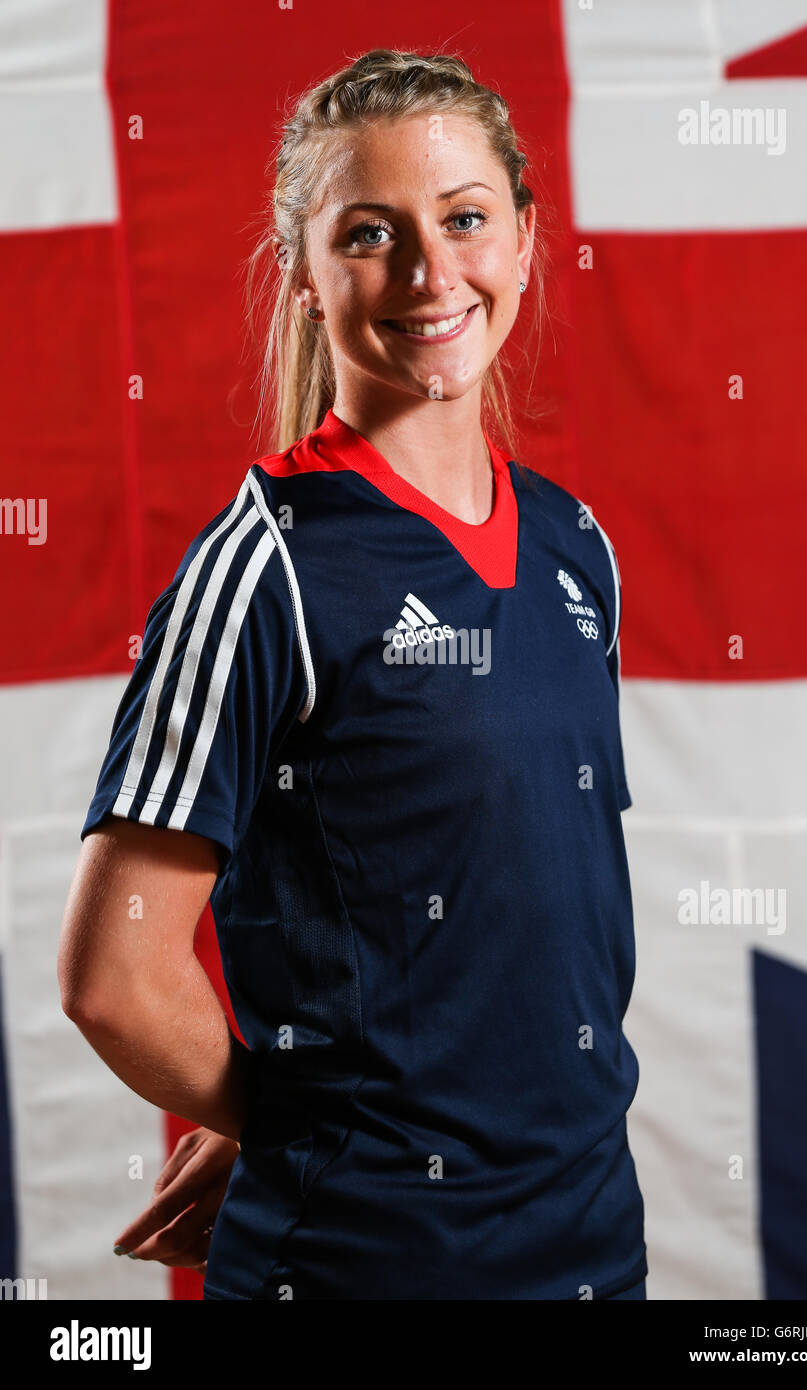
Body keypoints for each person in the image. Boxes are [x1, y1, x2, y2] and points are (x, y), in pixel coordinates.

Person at [58, 47, 647, 1301]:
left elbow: (502, 921)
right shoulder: (265, 566)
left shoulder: (574, 545)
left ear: (527, 239)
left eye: (466, 219)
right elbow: (114, 977)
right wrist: (294, 1113)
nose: (433, 274)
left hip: (594, 1245)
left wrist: (309, 1075)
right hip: (367, 1266)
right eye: (372, 234)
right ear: (306, 275)